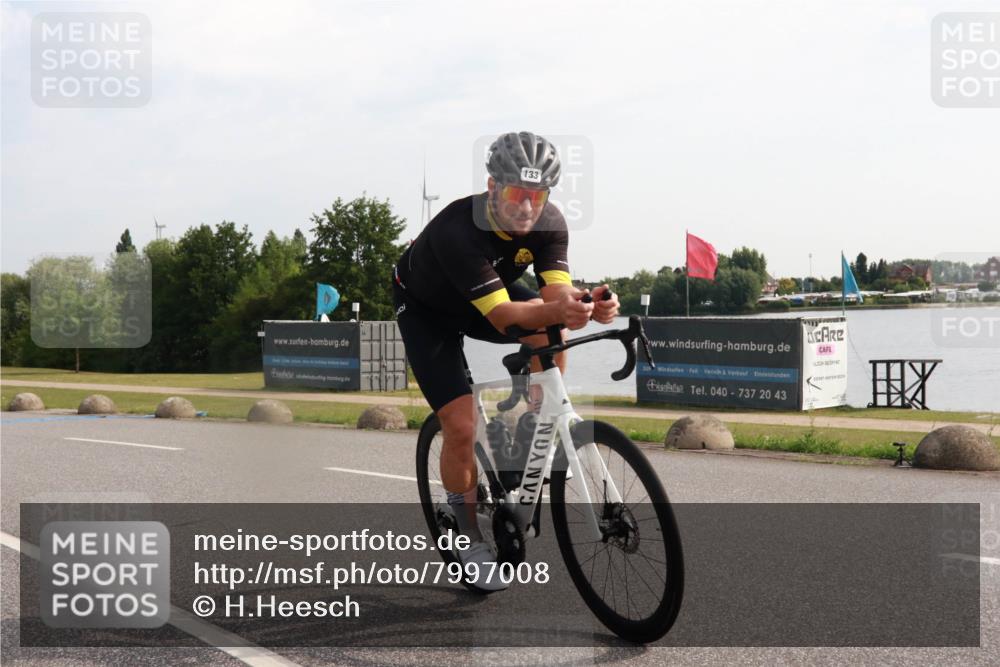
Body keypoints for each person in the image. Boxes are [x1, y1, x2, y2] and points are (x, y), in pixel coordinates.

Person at [391, 131, 620, 590]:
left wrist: (587, 304)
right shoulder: (459, 228)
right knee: (460, 426)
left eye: (538, 195)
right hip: (428, 310)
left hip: (487, 291)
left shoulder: (550, 222)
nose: (527, 207)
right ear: (493, 186)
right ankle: (468, 537)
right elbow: (500, 315)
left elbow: (553, 295)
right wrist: (559, 311)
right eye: (517, 193)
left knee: (549, 328)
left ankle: (539, 427)